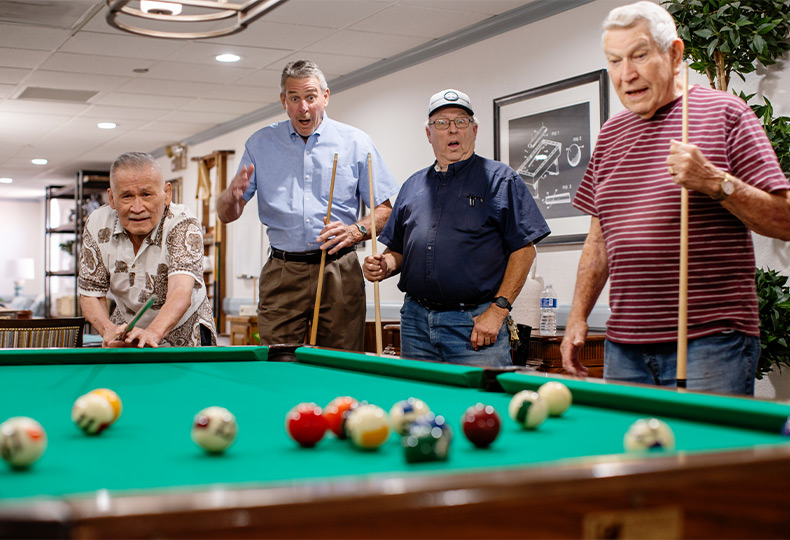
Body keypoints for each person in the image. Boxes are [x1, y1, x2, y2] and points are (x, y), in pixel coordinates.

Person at [560, 1, 790, 395]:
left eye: (640, 55)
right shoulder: (611, 136)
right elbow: (599, 241)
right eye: (614, 61)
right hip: (624, 346)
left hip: (710, 341)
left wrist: (716, 182)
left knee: (705, 458)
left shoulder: (725, 113)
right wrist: (578, 316)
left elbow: (784, 221)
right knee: (634, 456)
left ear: (675, 53)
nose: (626, 74)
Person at [216, 60, 398, 351]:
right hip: (283, 269)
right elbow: (227, 215)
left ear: (325, 97)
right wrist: (230, 197)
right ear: (283, 101)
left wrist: (354, 231)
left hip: (339, 268)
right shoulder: (260, 143)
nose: (303, 107)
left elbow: (386, 211)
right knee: (278, 362)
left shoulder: (356, 142)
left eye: (311, 97)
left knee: (342, 362)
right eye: (295, 98)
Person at [363, 89, 550, 367]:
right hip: (415, 324)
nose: (452, 130)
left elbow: (524, 251)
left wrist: (498, 311)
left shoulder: (501, 180)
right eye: (442, 123)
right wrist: (384, 265)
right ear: (429, 134)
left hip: (475, 326)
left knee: (482, 408)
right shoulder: (412, 186)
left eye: (460, 122)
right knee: (418, 406)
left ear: (474, 130)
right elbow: (398, 250)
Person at [79, 152, 217, 347]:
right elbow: (90, 293)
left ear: (166, 193)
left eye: (146, 194)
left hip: (185, 331)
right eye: (127, 196)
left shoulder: (183, 224)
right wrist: (107, 329)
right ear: (111, 198)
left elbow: (180, 291)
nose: (137, 207)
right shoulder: (97, 223)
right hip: (126, 327)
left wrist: (152, 333)